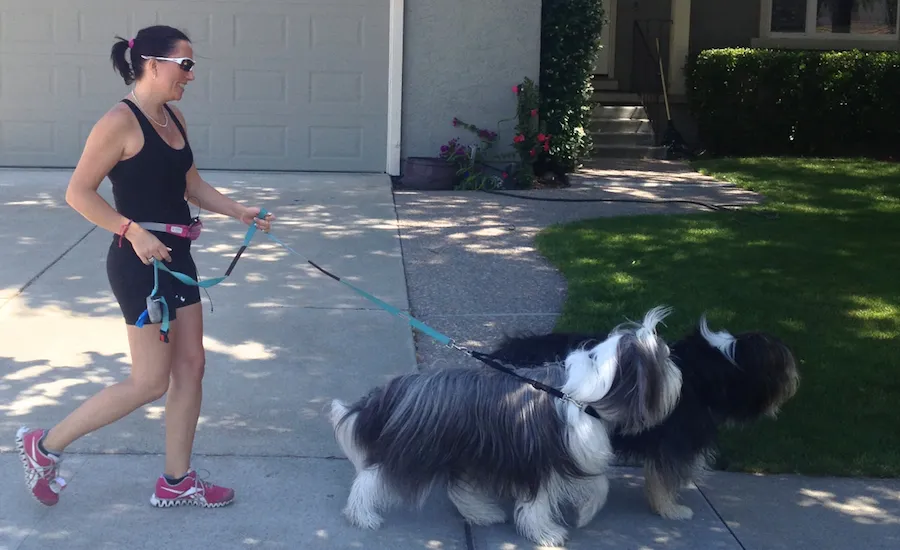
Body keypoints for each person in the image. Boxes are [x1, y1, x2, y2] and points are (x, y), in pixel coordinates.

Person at [15, 24, 274, 509]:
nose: (191, 77)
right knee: (150, 382)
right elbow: (78, 193)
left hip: (178, 260)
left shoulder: (172, 120)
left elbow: (191, 186)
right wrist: (130, 230)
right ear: (153, 64)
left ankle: (177, 480)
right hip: (139, 266)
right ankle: (44, 446)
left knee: (192, 366)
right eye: (186, 65)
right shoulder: (119, 122)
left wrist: (239, 211)